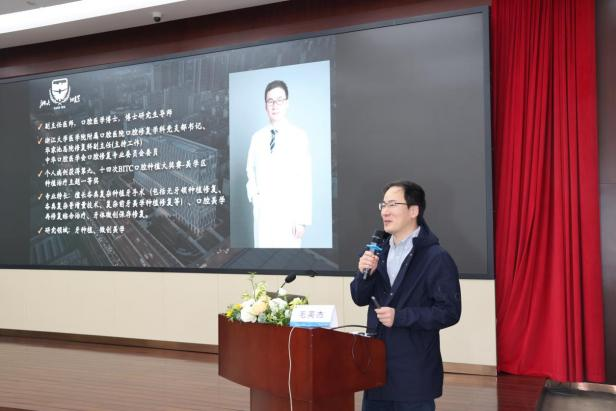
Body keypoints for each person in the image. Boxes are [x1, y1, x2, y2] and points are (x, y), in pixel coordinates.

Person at [350, 180, 461, 411]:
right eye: (383, 205)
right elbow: (359, 298)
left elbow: (449, 312)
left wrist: (400, 316)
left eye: (393, 204)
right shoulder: (375, 251)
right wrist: (363, 274)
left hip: (413, 374)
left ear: (413, 210)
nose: (385, 211)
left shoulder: (435, 257)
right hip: (376, 369)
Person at [246, 80, 312, 248]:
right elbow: (250, 169)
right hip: (263, 212)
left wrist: (301, 220)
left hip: (288, 214)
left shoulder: (299, 136)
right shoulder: (257, 137)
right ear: (265, 106)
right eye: (270, 101)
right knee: (261, 256)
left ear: (287, 103)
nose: (275, 105)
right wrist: (254, 196)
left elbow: (305, 178)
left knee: (287, 258)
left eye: (279, 100)